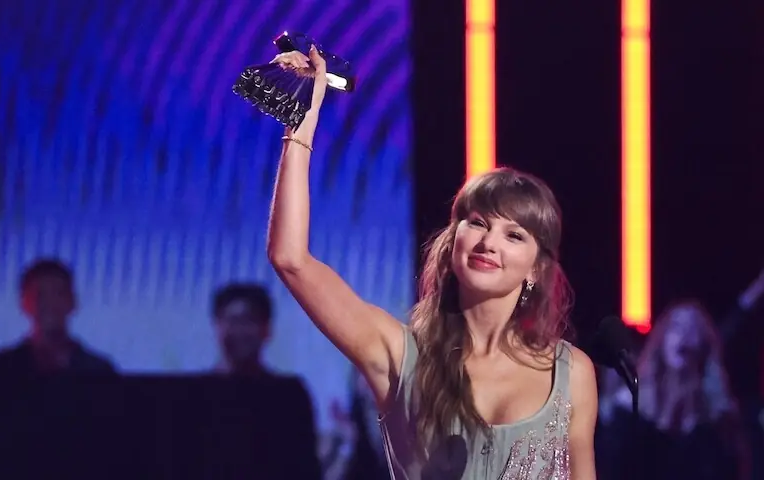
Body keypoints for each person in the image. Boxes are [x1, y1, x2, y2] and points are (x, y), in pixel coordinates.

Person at [266, 46, 598, 479]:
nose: (488, 243)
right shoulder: (398, 355)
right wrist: (300, 124)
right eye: (478, 223)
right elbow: (291, 258)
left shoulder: (571, 373)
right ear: (454, 239)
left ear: (536, 268)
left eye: (514, 235)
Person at [601, 300, 749, 480]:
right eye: (677, 327)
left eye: (693, 330)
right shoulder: (629, 408)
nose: (684, 336)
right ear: (663, 337)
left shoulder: (718, 421)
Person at [202, 283, 323, 479]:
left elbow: (305, 466)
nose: (240, 331)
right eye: (233, 321)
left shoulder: (289, 396)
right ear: (216, 326)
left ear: (267, 329)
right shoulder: (197, 395)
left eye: (249, 321)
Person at [0, 258, 115, 376]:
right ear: (24, 303)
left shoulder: (99, 372)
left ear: (73, 301)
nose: (50, 303)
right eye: (40, 295)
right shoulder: (1, 368)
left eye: (58, 293)